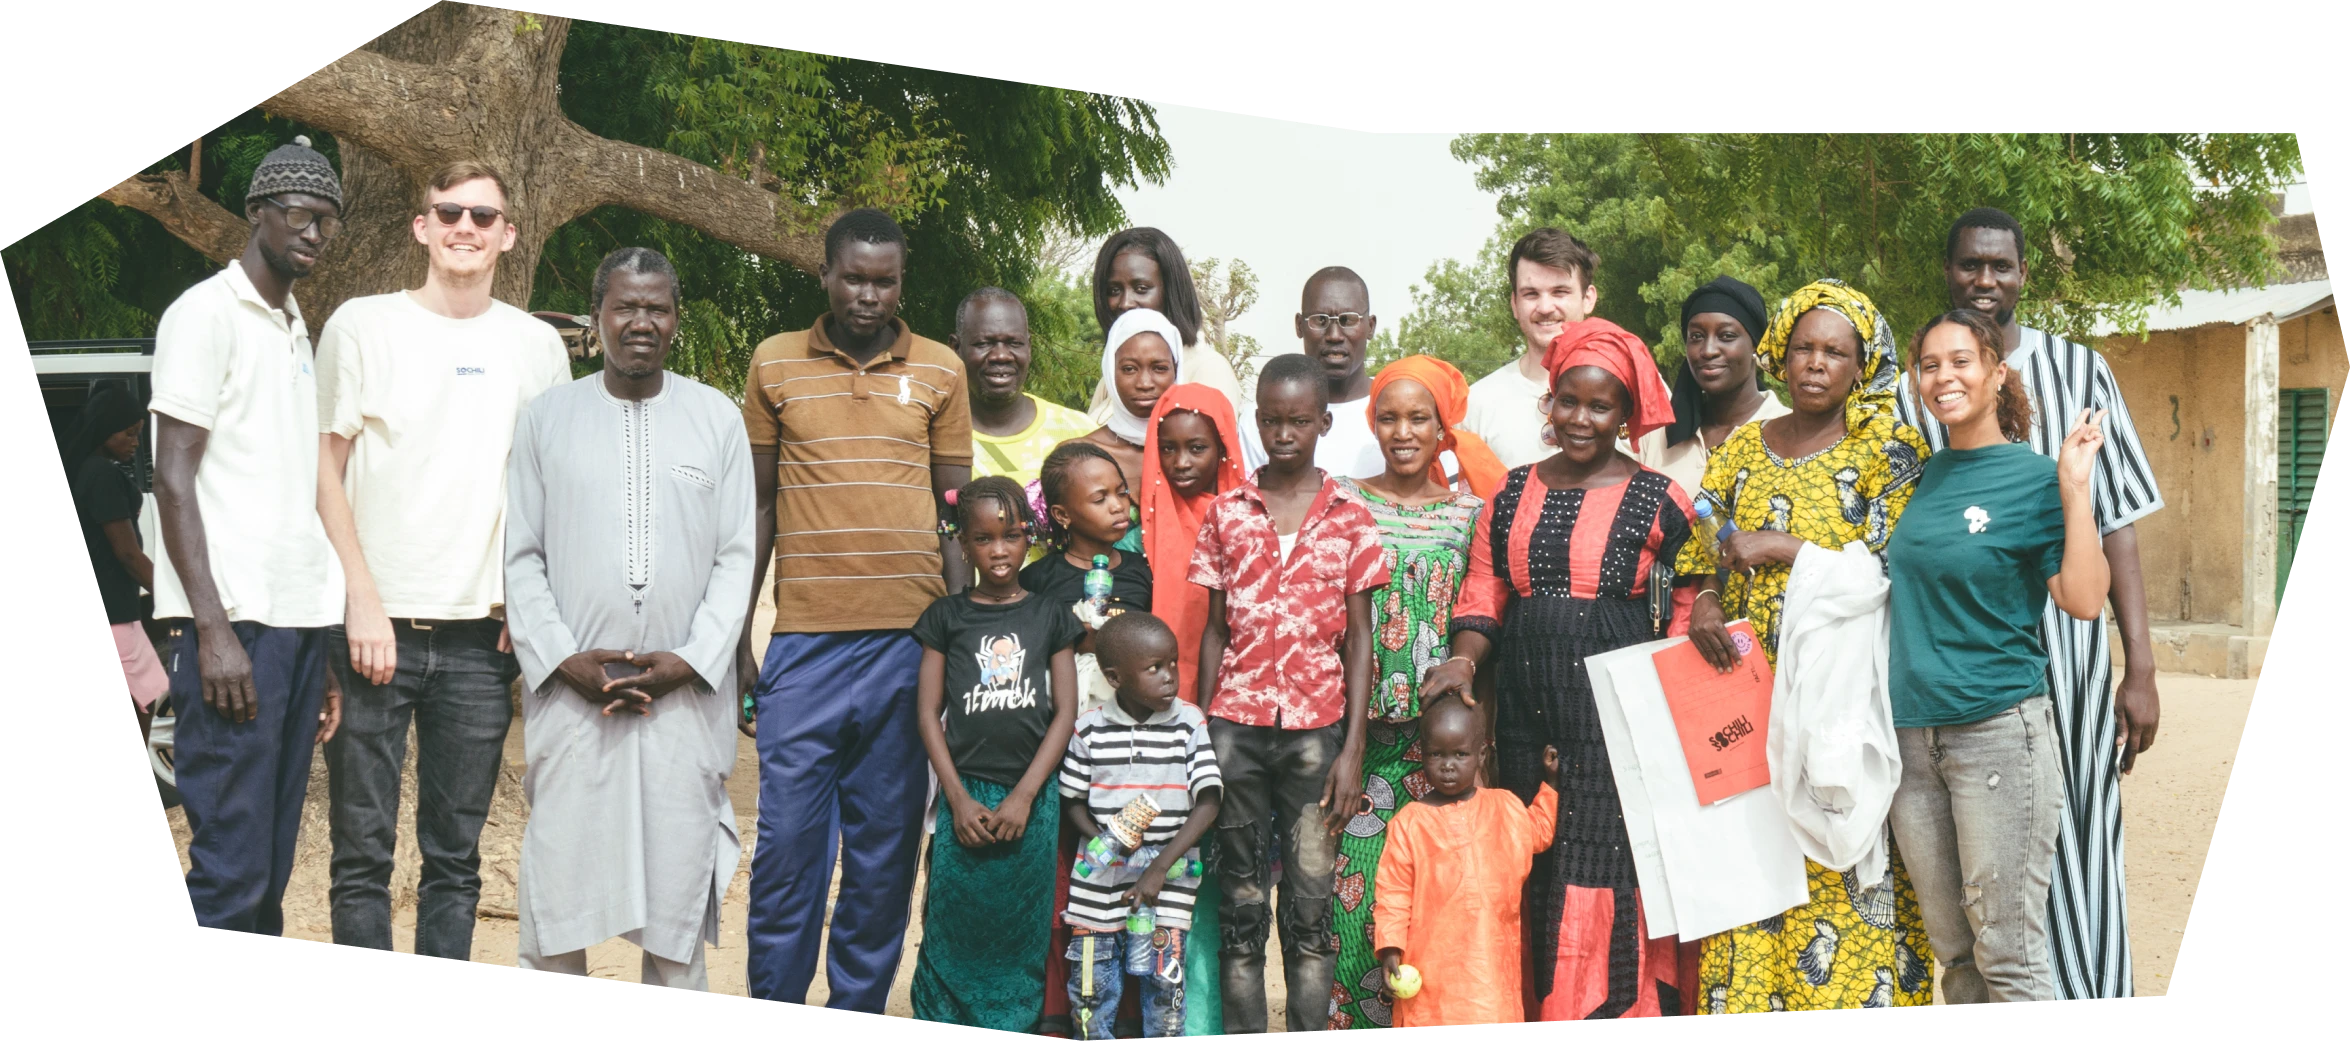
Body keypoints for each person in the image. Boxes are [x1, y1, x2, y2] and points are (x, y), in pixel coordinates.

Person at [1893, 207, 2165, 1001]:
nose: (1984, 279)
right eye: (1969, 265)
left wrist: (2140, 665)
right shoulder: (1916, 435)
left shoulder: (2079, 377)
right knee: (1963, 944)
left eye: (2000, 266)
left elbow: (2111, 534)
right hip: (1928, 712)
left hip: (2036, 684)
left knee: (2045, 898)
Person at [312, 160, 571, 962]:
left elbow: (550, 485)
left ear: (508, 235)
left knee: (454, 861)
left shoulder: (537, 347)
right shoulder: (362, 325)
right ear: (421, 226)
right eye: (449, 212)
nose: (465, 227)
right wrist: (359, 597)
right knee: (361, 854)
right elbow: (322, 470)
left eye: (483, 216)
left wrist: (525, 593)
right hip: (373, 630)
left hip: (480, 642)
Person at [1420, 318, 1695, 1022]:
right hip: (1524, 710)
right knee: (1532, 858)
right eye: (1568, 401)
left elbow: (1690, 595)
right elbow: (1485, 590)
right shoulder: (1511, 493)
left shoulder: (1658, 497)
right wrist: (1464, 659)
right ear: (1550, 401)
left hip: (1618, 716)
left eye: (1600, 406)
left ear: (1625, 414)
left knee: (1604, 858)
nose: (1580, 418)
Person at [1677, 279, 1935, 1013]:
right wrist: (1707, 599)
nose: (1816, 364)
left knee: (1835, 838)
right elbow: (1708, 540)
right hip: (1746, 685)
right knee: (1753, 855)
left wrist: (1785, 546)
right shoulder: (1738, 450)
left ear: (1863, 365)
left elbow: (1896, 567)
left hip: (1840, 694)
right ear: (1779, 356)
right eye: (1803, 349)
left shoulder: (1890, 451)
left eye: (1835, 353)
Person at [738, 208, 973, 1011]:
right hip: (804, 646)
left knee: (884, 854)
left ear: (901, 282)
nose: (868, 295)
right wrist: (739, 635)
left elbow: (953, 516)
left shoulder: (940, 370)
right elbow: (758, 507)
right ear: (826, 275)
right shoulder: (775, 362)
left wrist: (959, 639)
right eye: (853, 278)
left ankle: (858, 1003)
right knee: (786, 848)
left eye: (884, 281)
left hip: (909, 649)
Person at [503, 247, 754, 991]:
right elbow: (522, 556)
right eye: (625, 307)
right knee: (559, 896)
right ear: (597, 316)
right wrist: (563, 660)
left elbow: (737, 557)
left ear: (676, 319)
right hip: (573, 701)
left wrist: (691, 660)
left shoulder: (716, 418)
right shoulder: (547, 418)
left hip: (684, 704)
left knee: (676, 905)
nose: (641, 322)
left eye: (657, 308)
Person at [149, 135, 347, 937]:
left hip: (293, 627)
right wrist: (213, 629)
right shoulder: (205, 314)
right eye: (300, 214)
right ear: (257, 210)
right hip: (233, 629)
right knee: (230, 872)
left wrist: (319, 644)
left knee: (268, 869)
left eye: (327, 220)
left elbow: (290, 495)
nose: (315, 233)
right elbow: (173, 478)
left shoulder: (294, 325)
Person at [1886, 309, 2109, 1006]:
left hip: (1997, 735)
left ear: (1995, 371)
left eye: (1961, 361)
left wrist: (2074, 490)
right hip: (1912, 742)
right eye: (1929, 365)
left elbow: (2083, 598)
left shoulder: (2034, 478)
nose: (1944, 377)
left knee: (2008, 955)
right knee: (1957, 956)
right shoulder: (1924, 477)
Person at [1191, 353, 1389, 1039]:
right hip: (1234, 731)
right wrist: (1202, 732)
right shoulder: (1227, 512)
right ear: (1257, 421)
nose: (1284, 433)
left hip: (1315, 735)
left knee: (1310, 908)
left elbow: (1360, 638)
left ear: (1323, 423)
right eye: (1272, 420)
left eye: (1298, 421)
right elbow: (1215, 631)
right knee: (1241, 904)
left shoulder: (1351, 516)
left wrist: (1352, 749)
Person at [1325, 356, 1491, 1031]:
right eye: (1388, 417)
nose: (1402, 431)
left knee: (1434, 913)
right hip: (1357, 739)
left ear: (1442, 427)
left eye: (1418, 418)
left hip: (1437, 746)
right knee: (1355, 910)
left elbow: (1480, 615)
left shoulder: (1469, 513)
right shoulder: (1342, 498)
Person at [910, 476, 1082, 1030]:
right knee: (952, 919)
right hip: (966, 793)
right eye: (983, 539)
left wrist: (1025, 796)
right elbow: (927, 714)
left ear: (1030, 535)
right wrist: (957, 800)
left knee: (1019, 925)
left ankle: (1011, 1025)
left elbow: (1065, 713)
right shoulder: (946, 617)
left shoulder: (1051, 615)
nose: (999, 550)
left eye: (1010, 536)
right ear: (963, 545)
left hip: (1032, 798)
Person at [1059, 611, 1224, 1040]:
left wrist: (1158, 868)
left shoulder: (1189, 722)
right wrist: (1105, 840)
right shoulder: (1089, 729)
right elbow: (1071, 800)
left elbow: (1209, 801)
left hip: (1169, 880)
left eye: (1173, 663)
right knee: (1091, 993)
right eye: (1154, 668)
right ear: (1115, 677)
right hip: (1099, 884)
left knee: (1165, 994)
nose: (1170, 677)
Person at [1371, 695, 1560, 1029]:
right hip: (1431, 979)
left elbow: (1540, 832)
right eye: (1436, 754)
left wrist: (1552, 783)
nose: (1448, 765)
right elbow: (1393, 895)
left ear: (1481, 756)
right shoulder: (1408, 823)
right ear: (1421, 755)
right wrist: (1390, 948)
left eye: (1460, 754)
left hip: (1491, 977)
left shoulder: (1505, 807)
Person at [955, 287, 1095, 565]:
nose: (1001, 355)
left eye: (1014, 343)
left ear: (1029, 347)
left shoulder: (1081, 433)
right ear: (955, 347)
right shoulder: (935, 437)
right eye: (984, 343)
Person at [1630, 275, 1790, 497]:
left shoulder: (1790, 431)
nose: (1708, 350)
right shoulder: (1656, 436)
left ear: (1756, 344)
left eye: (1726, 336)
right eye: (1696, 336)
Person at [1025, 440, 1153, 715]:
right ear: (1062, 515)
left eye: (1122, 492)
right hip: (1062, 715)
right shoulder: (1037, 579)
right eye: (1099, 499)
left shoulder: (1144, 570)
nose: (1118, 506)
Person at [69, 386, 168, 737]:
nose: (135, 443)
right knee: (146, 698)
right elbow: (127, 554)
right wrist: (172, 599)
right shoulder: (101, 475)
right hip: (115, 612)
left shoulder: (87, 470)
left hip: (117, 608)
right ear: (105, 430)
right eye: (129, 433)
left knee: (146, 694)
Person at [1460, 228, 1601, 471]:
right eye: (1531, 294)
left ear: (1588, 298)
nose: (1545, 307)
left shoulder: (1635, 389)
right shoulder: (1476, 406)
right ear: (1515, 304)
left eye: (1560, 292)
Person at [1085, 228, 1245, 424]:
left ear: (1171, 293)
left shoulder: (1207, 368)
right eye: (1114, 290)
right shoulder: (1110, 379)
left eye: (1141, 289)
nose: (1125, 303)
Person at [1237, 267, 1385, 479]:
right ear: (1299, 326)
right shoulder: (1263, 419)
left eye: (1347, 320)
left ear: (1370, 326)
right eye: (1320, 320)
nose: (1334, 335)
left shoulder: (1397, 414)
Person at [1079, 308, 1185, 553]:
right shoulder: (1081, 457)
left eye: (1159, 368)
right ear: (1110, 370)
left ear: (1176, 370)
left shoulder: (1199, 454)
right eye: (1129, 369)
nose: (1145, 383)